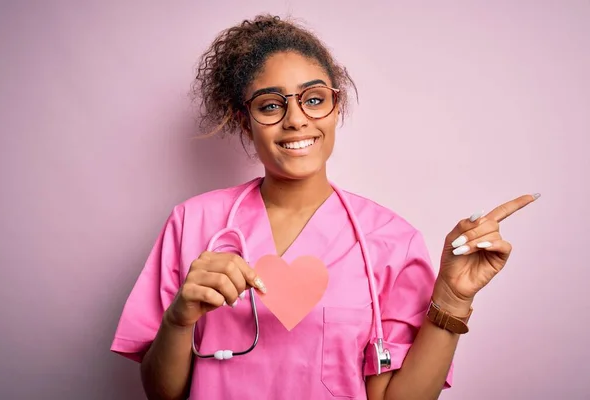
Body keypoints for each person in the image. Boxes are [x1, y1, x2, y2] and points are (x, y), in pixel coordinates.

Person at [110, 14, 539, 400]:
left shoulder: (390, 241)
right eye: (271, 105)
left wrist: (451, 297)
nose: (296, 119)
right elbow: (163, 394)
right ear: (245, 121)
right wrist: (180, 318)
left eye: (313, 99)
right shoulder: (192, 224)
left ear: (335, 109)